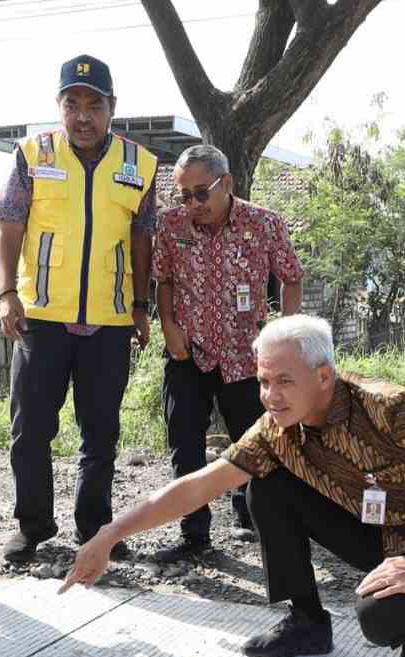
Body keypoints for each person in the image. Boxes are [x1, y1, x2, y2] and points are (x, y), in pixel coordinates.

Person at [64, 315, 405, 657]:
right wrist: (110, 534)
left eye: (285, 380)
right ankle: (307, 621)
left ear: (323, 376)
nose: (271, 395)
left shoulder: (389, 407)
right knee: (266, 485)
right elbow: (198, 485)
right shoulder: (275, 430)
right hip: (373, 533)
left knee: (382, 620)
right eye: (264, 381)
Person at [0, 54, 157, 565]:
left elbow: (142, 235)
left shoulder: (139, 164)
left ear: (113, 107)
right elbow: (9, 224)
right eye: (72, 104)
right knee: (30, 430)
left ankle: (96, 528)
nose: (83, 115)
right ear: (59, 107)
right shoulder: (33, 154)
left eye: (94, 105)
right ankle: (33, 526)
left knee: (101, 432)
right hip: (40, 316)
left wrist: (140, 303)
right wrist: (6, 294)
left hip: (109, 322)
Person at [151, 144, 304, 570]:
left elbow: (291, 279)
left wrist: (282, 333)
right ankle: (193, 535)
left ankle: (255, 520)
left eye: (201, 193)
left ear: (227, 184)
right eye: (184, 195)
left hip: (245, 353)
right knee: (184, 444)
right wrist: (168, 324)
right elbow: (163, 280)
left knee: (253, 443)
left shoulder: (264, 223)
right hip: (188, 351)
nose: (192, 204)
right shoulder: (171, 224)